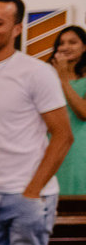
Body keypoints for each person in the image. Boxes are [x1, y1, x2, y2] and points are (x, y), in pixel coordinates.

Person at [0, 0, 73, 245]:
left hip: (27, 193)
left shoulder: (36, 73)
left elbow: (63, 135)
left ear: (16, 29)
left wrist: (33, 191)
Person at [50, 25, 86, 194]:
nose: (65, 47)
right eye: (61, 43)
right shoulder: (46, 76)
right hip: (50, 145)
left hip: (78, 147)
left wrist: (63, 79)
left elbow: (83, 112)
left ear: (84, 46)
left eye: (72, 42)